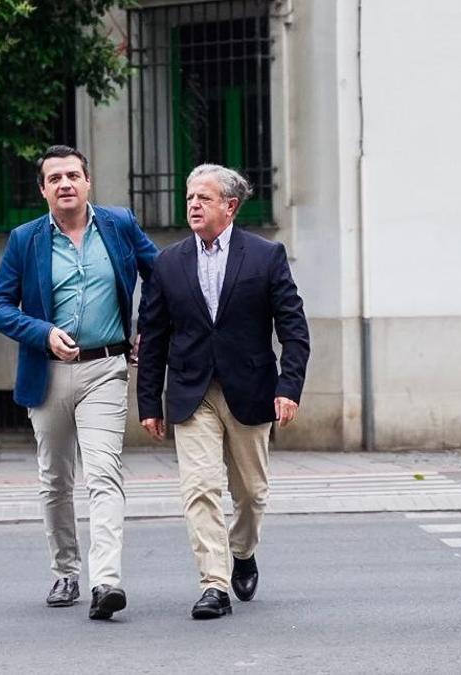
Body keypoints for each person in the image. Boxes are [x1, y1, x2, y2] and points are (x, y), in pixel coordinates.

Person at [0, 145, 158, 619]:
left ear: (88, 183)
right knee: (56, 479)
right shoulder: (25, 240)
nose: (65, 184)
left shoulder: (120, 225)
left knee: (104, 473)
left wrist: (148, 325)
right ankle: (66, 570)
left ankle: (107, 582)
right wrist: (42, 333)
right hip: (49, 375)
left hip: (106, 367)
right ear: (43, 189)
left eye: (73, 176)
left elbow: (160, 276)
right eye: (55, 178)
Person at [136, 163, 310, 619]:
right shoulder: (168, 262)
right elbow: (152, 336)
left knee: (251, 492)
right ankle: (213, 584)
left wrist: (288, 386)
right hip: (192, 392)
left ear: (229, 207)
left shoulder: (266, 256)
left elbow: (294, 329)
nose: (193, 204)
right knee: (200, 488)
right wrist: (149, 402)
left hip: (251, 389)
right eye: (190, 196)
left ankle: (243, 550)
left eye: (204, 198)